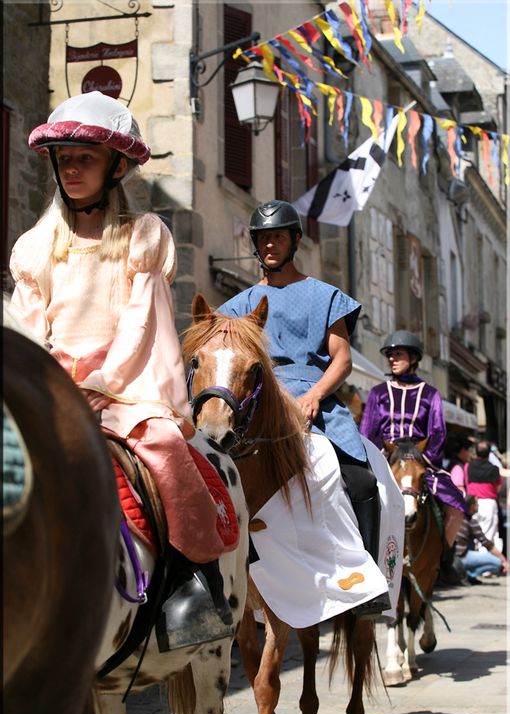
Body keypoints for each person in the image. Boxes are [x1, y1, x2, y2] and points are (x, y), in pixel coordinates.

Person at [8, 91, 233, 651]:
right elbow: (28, 328)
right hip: (54, 387)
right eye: (63, 157)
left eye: (84, 156)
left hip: (126, 387)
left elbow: (141, 325)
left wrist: (100, 387)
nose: (71, 166)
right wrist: (43, 391)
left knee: (162, 449)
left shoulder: (142, 237)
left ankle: (193, 583)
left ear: (116, 166)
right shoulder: (35, 248)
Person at [216, 199, 390, 617]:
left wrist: (313, 396)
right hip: (258, 403)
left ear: (295, 240)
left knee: (361, 480)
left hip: (318, 400)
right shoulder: (238, 306)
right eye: (263, 238)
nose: (270, 244)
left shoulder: (325, 296)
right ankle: (211, 583)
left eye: (277, 236)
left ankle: (367, 585)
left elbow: (342, 359)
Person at [359, 330, 467, 551]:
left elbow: (437, 432)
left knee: (456, 503)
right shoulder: (378, 392)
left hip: (420, 462)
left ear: (414, 358)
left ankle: (442, 556)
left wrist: (422, 459)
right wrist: (382, 456)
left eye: (398, 354)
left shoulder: (430, 394)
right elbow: (367, 430)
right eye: (390, 354)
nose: (392, 359)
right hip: (386, 461)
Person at [454, 495, 507, 583]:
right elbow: (486, 543)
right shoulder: (470, 521)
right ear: (472, 506)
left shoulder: (457, 517)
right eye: (477, 504)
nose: (478, 506)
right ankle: (468, 575)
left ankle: (463, 574)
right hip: (461, 557)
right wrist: (504, 560)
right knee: (497, 563)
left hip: (452, 557)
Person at [465, 441, 503, 550]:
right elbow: (498, 488)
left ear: (476, 452)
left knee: (474, 536)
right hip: (488, 504)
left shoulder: (468, 467)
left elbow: (467, 484)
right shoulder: (494, 469)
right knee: (488, 536)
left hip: (472, 504)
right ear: (489, 453)